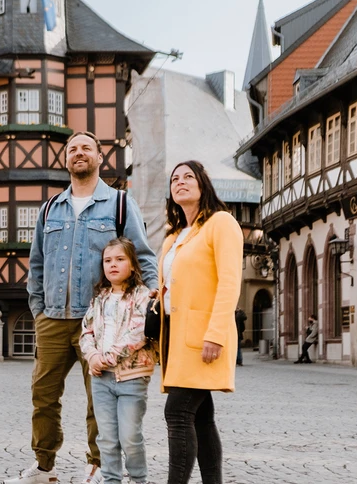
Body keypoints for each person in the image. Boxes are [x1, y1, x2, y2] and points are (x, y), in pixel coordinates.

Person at [7, 132, 158, 484]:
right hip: (53, 319)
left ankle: (98, 464)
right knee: (43, 396)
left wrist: (148, 304)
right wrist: (39, 310)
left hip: (104, 322)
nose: (78, 153)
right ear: (66, 159)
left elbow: (144, 257)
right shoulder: (50, 208)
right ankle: (44, 467)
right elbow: (37, 264)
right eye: (72, 148)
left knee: (99, 400)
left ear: (100, 157)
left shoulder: (120, 204)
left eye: (86, 148)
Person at [155, 160, 242, 484]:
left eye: (188, 176)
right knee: (202, 418)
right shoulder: (174, 237)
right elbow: (175, 285)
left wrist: (216, 334)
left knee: (177, 412)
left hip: (203, 337)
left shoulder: (221, 223)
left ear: (203, 183)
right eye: (174, 179)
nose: (180, 182)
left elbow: (229, 282)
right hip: (176, 341)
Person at [79, 238, 157, 484]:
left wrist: (108, 357)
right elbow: (87, 331)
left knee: (130, 436)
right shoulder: (99, 298)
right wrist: (91, 355)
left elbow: (139, 332)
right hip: (101, 379)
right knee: (107, 437)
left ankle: (138, 479)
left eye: (120, 259)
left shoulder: (143, 296)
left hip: (132, 378)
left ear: (133, 265)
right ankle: (111, 479)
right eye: (108, 260)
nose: (113, 265)